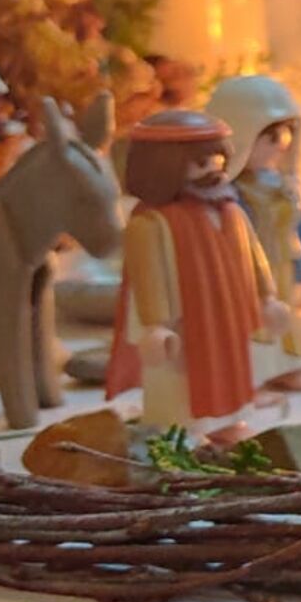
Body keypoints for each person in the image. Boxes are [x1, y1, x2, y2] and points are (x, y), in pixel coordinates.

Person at [105, 109, 290, 443]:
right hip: (180, 324)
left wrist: (267, 297)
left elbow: (253, 256)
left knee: (232, 367)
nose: (215, 171)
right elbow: (148, 279)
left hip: (226, 317)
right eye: (202, 163)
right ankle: (182, 429)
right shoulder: (149, 225)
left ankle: (229, 418)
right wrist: (155, 324)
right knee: (177, 382)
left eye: (219, 161)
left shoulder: (230, 211)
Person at [208, 75, 301, 389]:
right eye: (270, 136)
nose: (281, 143)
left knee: (286, 317)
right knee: (252, 321)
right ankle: (250, 376)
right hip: (246, 270)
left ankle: (288, 366)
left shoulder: (285, 184)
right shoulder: (229, 192)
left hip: (284, 263)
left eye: (286, 132)